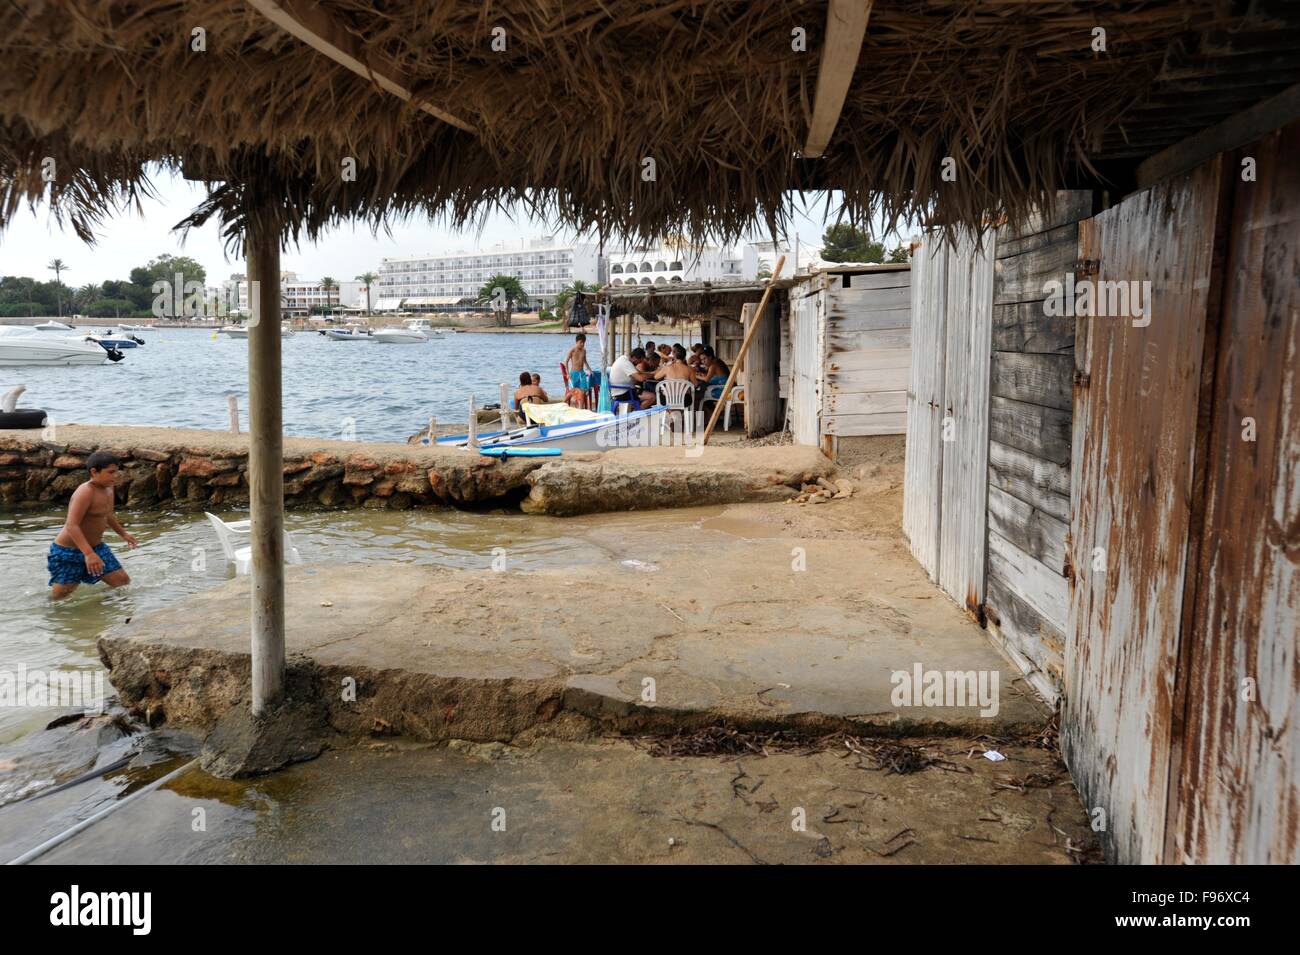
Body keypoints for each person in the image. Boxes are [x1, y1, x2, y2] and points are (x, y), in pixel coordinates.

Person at [48, 450, 137, 600]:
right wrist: (88, 554)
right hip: (68, 551)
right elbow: (72, 525)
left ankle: (97, 604)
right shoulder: (85, 492)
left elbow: (107, 514)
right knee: (61, 597)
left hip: (97, 547)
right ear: (94, 471)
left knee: (122, 582)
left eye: (116, 472)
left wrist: (122, 533)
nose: (115, 476)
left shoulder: (109, 487)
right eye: (110, 472)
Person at [565, 333, 592, 409]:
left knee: (583, 391)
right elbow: (566, 362)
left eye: (584, 343)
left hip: (582, 373)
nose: (582, 344)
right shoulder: (572, 350)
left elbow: (585, 361)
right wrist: (567, 373)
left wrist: (590, 370)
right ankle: (563, 402)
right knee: (573, 391)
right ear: (577, 342)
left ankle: (580, 408)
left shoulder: (584, 351)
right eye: (581, 342)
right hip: (574, 373)